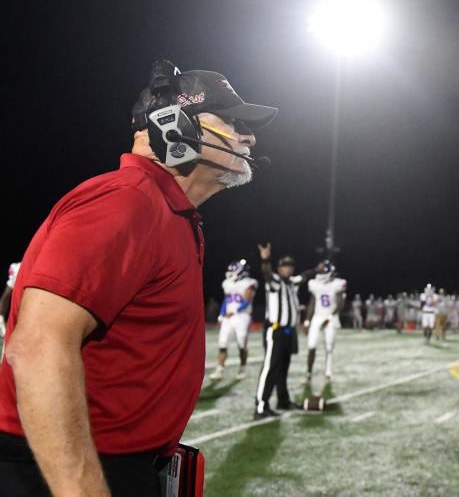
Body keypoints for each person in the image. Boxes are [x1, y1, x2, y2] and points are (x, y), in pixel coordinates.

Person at [0, 59, 275, 495]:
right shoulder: (126, 201)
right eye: (232, 119)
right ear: (172, 124)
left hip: (114, 465)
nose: (249, 136)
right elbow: (37, 347)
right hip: (67, 470)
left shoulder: (166, 211)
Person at [254, 248, 311, 418]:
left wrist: (318, 269)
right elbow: (267, 274)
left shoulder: (292, 282)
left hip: (288, 332)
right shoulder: (275, 281)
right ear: (279, 268)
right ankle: (261, 406)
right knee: (270, 368)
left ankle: (283, 400)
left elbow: (305, 276)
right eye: (285, 266)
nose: (288, 269)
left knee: (283, 368)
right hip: (275, 330)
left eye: (291, 266)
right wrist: (265, 260)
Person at [210, 259, 259, 381]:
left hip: (242, 316)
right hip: (228, 316)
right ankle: (219, 370)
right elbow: (226, 301)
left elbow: (247, 301)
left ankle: (242, 368)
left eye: (232, 271)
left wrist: (235, 311)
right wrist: (221, 315)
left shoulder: (249, 283)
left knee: (242, 342)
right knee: (222, 342)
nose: (229, 273)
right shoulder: (227, 283)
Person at [304, 260, 347, 384]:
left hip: (331, 316)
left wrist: (329, 318)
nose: (318, 270)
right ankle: (308, 373)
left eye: (321, 268)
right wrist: (307, 321)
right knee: (311, 345)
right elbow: (312, 303)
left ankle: (328, 372)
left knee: (329, 346)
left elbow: (340, 304)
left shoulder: (337, 284)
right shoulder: (314, 284)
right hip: (317, 316)